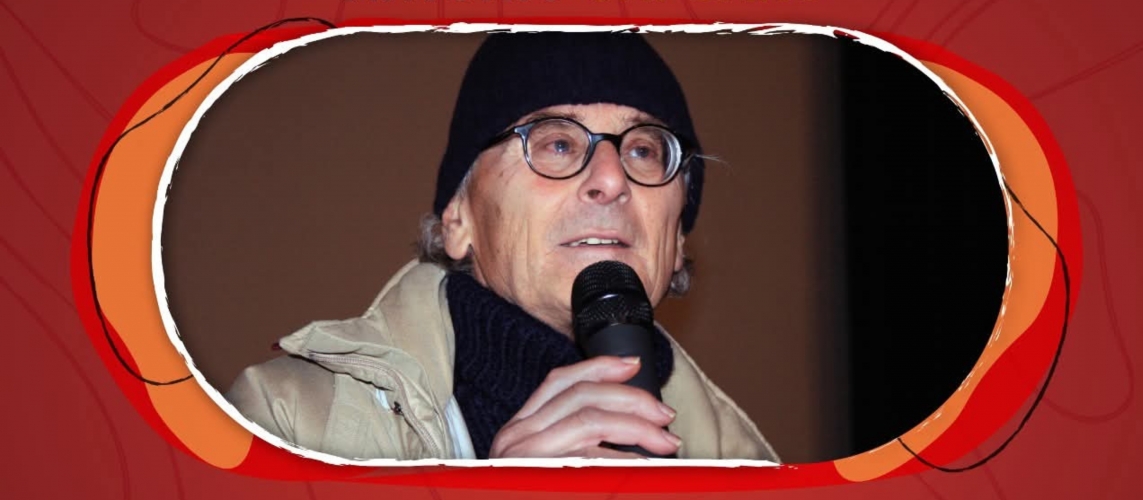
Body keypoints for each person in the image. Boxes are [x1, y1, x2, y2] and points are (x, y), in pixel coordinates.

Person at [226, 32, 780, 462]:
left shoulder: (746, 463)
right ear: (458, 220)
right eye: (557, 143)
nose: (612, 179)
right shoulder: (285, 422)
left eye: (644, 151)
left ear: (677, 240)